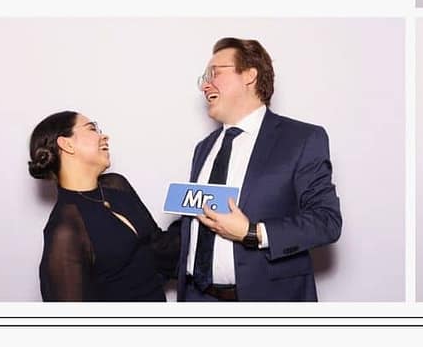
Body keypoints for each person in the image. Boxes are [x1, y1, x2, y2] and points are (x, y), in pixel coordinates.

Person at [177, 37, 342, 302]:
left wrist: (252, 232)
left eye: (215, 73)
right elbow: (198, 224)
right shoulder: (203, 149)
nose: (205, 85)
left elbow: (327, 222)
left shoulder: (302, 139)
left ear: (249, 76)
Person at [28, 111, 178, 301]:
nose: (104, 136)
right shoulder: (65, 230)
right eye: (92, 128)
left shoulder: (116, 186)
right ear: (67, 144)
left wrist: (198, 216)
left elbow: (160, 249)